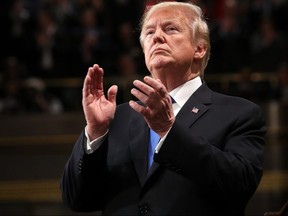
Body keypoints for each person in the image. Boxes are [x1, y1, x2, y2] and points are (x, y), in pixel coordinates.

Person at [60, 2, 266, 215]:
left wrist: (169, 131)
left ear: (200, 48)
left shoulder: (239, 113)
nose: (156, 37)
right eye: (149, 32)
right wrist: (95, 132)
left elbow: (239, 186)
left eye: (171, 29)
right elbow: (76, 199)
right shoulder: (115, 118)